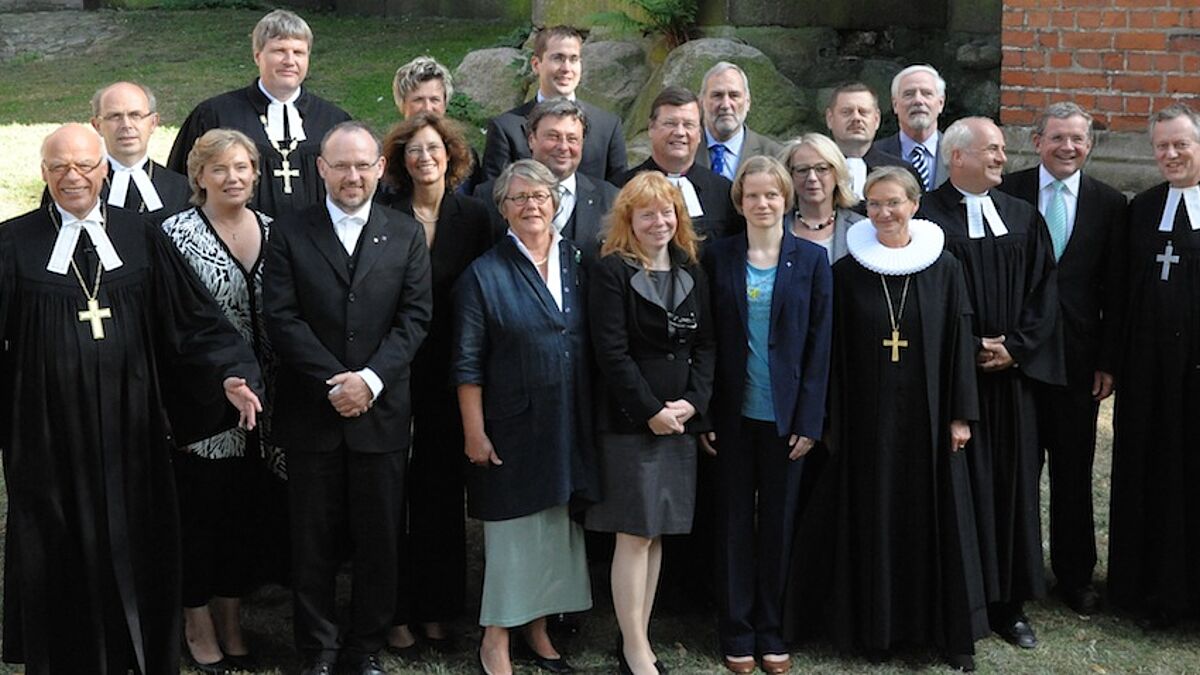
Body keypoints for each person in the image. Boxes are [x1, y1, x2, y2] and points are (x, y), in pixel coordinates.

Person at [0, 123, 263, 674]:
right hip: (49, 431)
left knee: (137, 535)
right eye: (58, 167)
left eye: (83, 165)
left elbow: (192, 321)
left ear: (102, 169)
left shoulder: (140, 234)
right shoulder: (13, 242)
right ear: (43, 174)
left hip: (132, 423)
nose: (72, 177)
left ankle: (139, 654)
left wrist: (230, 373)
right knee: (56, 538)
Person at [794, 166, 988, 671]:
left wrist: (961, 416)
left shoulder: (944, 268)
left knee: (933, 516)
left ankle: (939, 631)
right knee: (871, 514)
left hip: (928, 421)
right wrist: (830, 419)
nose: (884, 213)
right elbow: (830, 353)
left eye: (894, 203)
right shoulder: (847, 271)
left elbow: (958, 343)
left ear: (914, 205)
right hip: (865, 420)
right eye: (874, 204)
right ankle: (873, 628)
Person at [264, 121, 432, 675]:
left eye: (363, 165)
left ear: (381, 168)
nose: (353, 176)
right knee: (310, 540)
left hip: (380, 413)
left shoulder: (404, 232)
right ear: (321, 170)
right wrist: (336, 380)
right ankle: (317, 649)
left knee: (379, 539)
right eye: (341, 165)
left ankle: (364, 649)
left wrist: (371, 381)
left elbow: (415, 318)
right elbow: (281, 318)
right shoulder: (290, 231)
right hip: (313, 410)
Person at [917, 116, 1064, 650]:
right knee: (958, 488)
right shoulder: (926, 217)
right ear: (957, 157)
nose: (1003, 158)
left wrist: (1015, 349)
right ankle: (960, 597)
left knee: (1012, 487)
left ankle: (1009, 605)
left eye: (1002, 150)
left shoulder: (1023, 217)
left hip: (1012, 383)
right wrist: (966, 350)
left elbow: (1045, 293)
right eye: (992, 150)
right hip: (952, 382)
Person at [453, 159, 598, 675]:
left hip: (569, 420)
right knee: (515, 534)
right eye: (519, 199)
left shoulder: (580, 261)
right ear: (504, 210)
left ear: (556, 203)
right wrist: (475, 431)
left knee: (558, 526)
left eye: (540, 196)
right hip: (511, 424)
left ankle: (537, 626)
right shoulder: (483, 274)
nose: (531, 206)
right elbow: (467, 363)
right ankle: (495, 638)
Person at [702, 156, 832, 674]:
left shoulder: (812, 260)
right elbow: (706, 340)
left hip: (787, 421)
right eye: (752, 195)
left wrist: (809, 420)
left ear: (787, 199)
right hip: (733, 417)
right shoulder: (718, 257)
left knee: (779, 526)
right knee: (733, 524)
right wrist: (707, 411)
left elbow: (821, 346)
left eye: (772, 195)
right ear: (740, 202)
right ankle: (737, 628)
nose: (762, 204)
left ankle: (772, 628)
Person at [997, 102, 1127, 615]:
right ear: (1037, 139)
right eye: (1057, 138)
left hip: (1078, 360)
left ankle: (1075, 577)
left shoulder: (1110, 203)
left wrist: (1108, 361)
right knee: (1020, 471)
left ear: (1089, 145)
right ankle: (1017, 575)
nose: (1067, 147)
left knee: (1073, 473)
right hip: (1022, 358)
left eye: (1077, 139)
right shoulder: (1009, 192)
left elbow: (1115, 290)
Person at [160, 128, 280, 673]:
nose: (233, 178)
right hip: (203, 404)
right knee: (202, 516)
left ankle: (232, 618)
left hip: (269, 403)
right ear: (198, 177)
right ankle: (196, 620)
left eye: (242, 167)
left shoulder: (276, 232)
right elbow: (171, 326)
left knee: (245, 513)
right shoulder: (175, 236)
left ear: (256, 173)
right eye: (220, 169)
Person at [586, 171, 715, 675]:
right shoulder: (611, 271)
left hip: (678, 421)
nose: (659, 222)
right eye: (647, 214)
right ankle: (635, 647)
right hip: (631, 423)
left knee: (656, 532)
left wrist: (691, 403)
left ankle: (638, 635)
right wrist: (651, 411)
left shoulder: (691, 270)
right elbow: (611, 354)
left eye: (667, 213)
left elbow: (706, 345)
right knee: (633, 534)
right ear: (629, 220)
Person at [376, 113, 493, 654]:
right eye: (414, 151)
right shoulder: (383, 215)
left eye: (434, 149)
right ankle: (394, 612)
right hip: (394, 370)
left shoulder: (474, 217)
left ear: (451, 156)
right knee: (393, 492)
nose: (425, 158)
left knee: (441, 492)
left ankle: (439, 610)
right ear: (401, 161)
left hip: (452, 374)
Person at [1107, 103, 1200, 627]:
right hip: (1147, 373)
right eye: (1161, 147)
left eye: (1180, 144)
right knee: (1150, 468)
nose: (1169, 155)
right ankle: (1143, 587)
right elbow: (1118, 293)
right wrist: (1112, 362)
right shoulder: (1141, 209)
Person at [168, 9, 351, 218]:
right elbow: (181, 188)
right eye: (279, 51)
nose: (289, 60)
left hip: (316, 244)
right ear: (257, 56)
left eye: (298, 52)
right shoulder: (214, 116)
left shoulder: (335, 122)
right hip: (237, 243)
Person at [481, 25, 626, 183]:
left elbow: (619, 196)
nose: (566, 68)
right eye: (558, 58)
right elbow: (492, 194)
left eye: (573, 59)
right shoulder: (506, 128)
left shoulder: (607, 126)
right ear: (536, 65)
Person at [475, 98, 619, 255]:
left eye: (572, 139)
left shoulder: (611, 199)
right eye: (553, 137)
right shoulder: (488, 196)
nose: (563, 147)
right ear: (531, 140)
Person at [617, 86, 743, 241]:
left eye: (689, 125)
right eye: (670, 123)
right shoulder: (620, 189)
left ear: (699, 134)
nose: (680, 132)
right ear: (651, 128)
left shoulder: (723, 192)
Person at [90, 81, 190, 220]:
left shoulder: (180, 187)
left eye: (135, 115)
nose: (126, 125)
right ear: (97, 125)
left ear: (153, 123)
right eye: (115, 116)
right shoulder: (80, 187)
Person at [391, 55, 485, 194]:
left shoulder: (466, 155)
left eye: (434, 100)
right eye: (418, 100)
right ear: (402, 104)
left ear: (445, 103)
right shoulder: (388, 158)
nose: (427, 108)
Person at [823, 82, 920, 201]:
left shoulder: (903, 171)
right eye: (846, 112)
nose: (856, 118)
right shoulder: (816, 171)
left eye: (863, 112)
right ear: (830, 118)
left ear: (876, 119)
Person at [780, 132, 865, 264]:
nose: (812, 178)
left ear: (837, 173)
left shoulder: (861, 229)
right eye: (802, 170)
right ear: (789, 176)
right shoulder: (776, 228)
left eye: (821, 169)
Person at [693, 62, 783, 181]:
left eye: (734, 95)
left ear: (748, 102)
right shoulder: (685, 148)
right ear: (701, 102)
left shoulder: (774, 154)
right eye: (717, 95)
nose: (725, 105)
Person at [875, 65, 949, 192]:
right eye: (909, 94)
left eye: (927, 94)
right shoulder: (875, 154)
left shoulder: (958, 154)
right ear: (895, 105)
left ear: (940, 104)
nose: (918, 100)